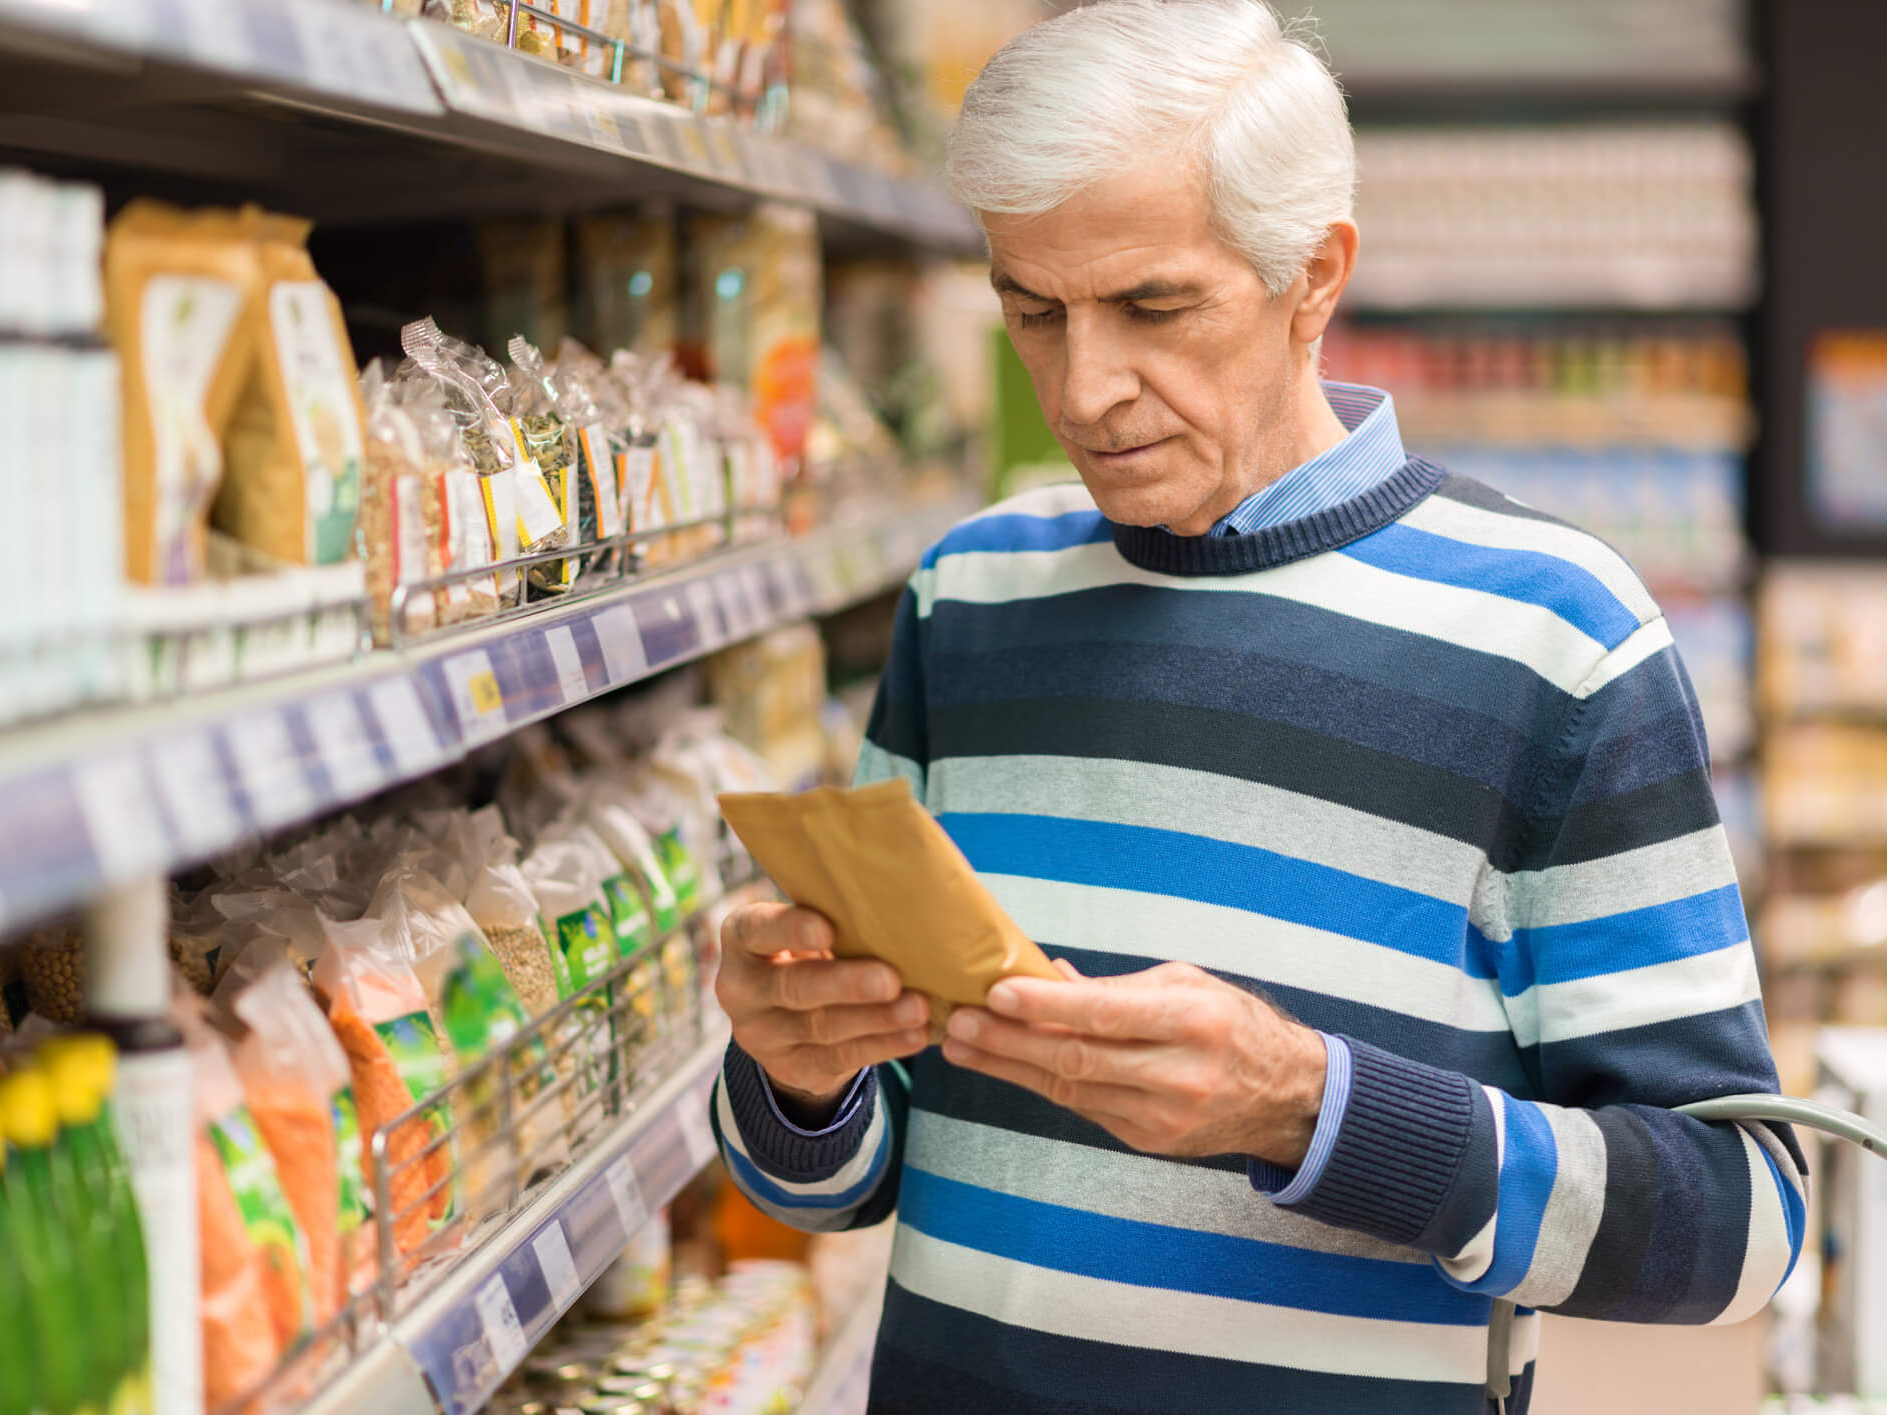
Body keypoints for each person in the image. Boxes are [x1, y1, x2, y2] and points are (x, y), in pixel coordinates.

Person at [708, 2, 1807, 1409]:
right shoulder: (969, 601)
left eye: (1153, 308)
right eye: (1033, 311)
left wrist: (1313, 1111)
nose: (1085, 391)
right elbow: (842, 1185)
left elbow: (1740, 1223)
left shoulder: (1556, 635)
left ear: (1313, 275)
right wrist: (800, 1080)